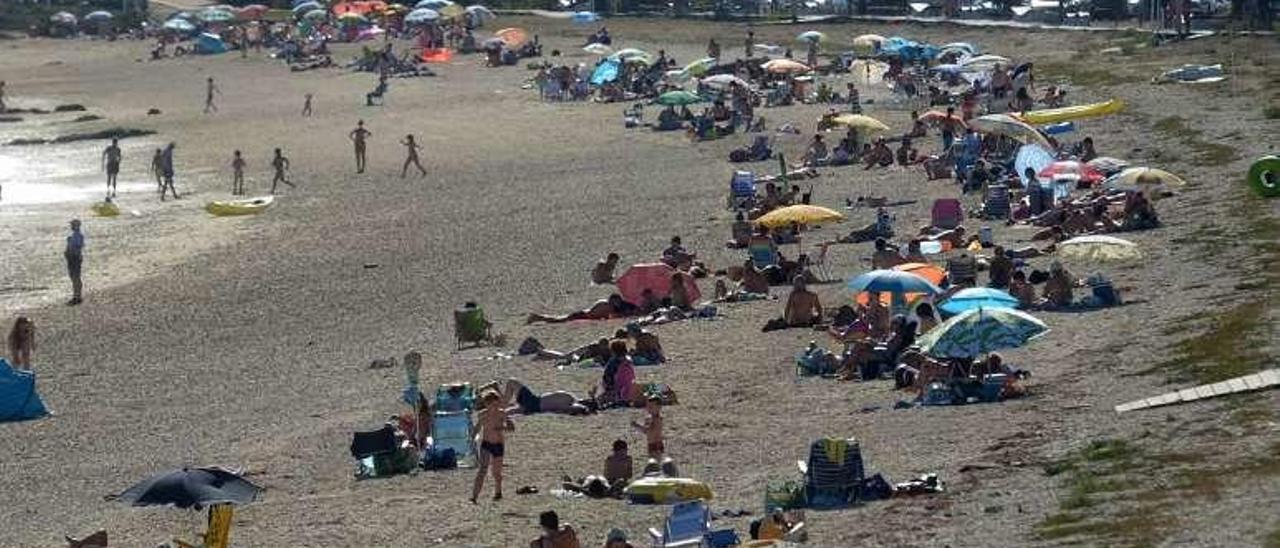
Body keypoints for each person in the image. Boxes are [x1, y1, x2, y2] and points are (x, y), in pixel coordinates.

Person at [471, 390, 515, 503]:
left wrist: (501, 428)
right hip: (486, 444)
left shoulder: (502, 414)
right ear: (486, 404)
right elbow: (477, 428)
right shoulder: (482, 415)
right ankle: (474, 496)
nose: (494, 407)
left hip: (498, 444)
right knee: (482, 469)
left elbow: (512, 427)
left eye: (496, 404)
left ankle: (498, 492)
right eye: (492, 405)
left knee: (496, 472)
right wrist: (472, 437)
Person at [526, 294, 637, 324]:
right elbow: (611, 315)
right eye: (617, 302)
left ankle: (537, 317)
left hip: (583, 314)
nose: (618, 304)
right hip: (582, 315)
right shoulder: (607, 305)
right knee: (558, 320)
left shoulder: (605, 303)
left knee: (559, 319)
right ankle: (537, 317)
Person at [603, 339, 636, 404]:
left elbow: (607, 377)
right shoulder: (629, 361)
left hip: (615, 388)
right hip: (628, 387)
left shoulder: (613, 362)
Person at [631, 394, 664, 459]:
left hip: (655, 444)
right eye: (648, 406)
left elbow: (646, 431)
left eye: (651, 407)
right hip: (653, 443)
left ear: (659, 407)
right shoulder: (652, 418)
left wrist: (636, 425)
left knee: (655, 464)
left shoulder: (656, 419)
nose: (648, 409)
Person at [65, 219, 84, 305]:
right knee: (74, 277)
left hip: (74, 259)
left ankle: (77, 296)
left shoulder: (77, 236)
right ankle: (77, 295)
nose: (71, 226)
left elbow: (76, 248)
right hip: (73, 258)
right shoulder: (75, 235)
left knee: (75, 277)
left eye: (72, 225)